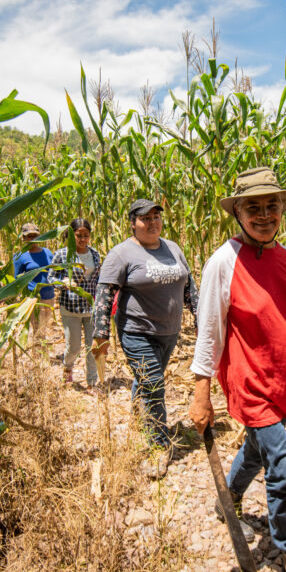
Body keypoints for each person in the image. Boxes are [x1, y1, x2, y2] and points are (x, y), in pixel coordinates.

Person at [189, 167, 286, 572]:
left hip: (284, 376)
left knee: (258, 447)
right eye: (253, 207)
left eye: (272, 206)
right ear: (238, 213)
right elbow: (209, 329)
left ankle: (229, 495)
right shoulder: (223, 262)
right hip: (250, 380)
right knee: (284, 466)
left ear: (283, 209)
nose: (265, 215)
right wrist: (200, 391)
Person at [92, 199, 198, 478]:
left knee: (148, 379)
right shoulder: (122, 253)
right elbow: (105, 294)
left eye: (156, 217)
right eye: (145, 218)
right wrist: (100, 334)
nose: (152, 222)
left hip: (169, 331)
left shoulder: (173, 248)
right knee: (154, 383)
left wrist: (200, 318)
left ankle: (139, 415)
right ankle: (158, 445)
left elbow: (189, 286)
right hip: (136, 331)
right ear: (133, 223)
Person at [50, 218, 102, 388]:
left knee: (91, 348)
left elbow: (98, 279)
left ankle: (92, 382)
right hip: (70, 306)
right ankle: (68, 368)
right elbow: (50, 277)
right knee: (73, 347)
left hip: (90, 308)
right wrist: (63, 283)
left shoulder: (95, 254)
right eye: (78, 236)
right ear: (70, 236)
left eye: (86, 235)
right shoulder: (62, 254)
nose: (82, 239)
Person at [13, 222, 55, 340]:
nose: (33, 239)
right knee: (37, 328)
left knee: (44, 326)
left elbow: (54, 272)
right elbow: (16, 279)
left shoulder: (48, 253)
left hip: (49, 296)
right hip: (33, 298)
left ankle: (41, 354)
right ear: (23, 238)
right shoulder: (20, 256)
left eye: (35, 235)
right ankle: (38, 356)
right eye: (29, 236)